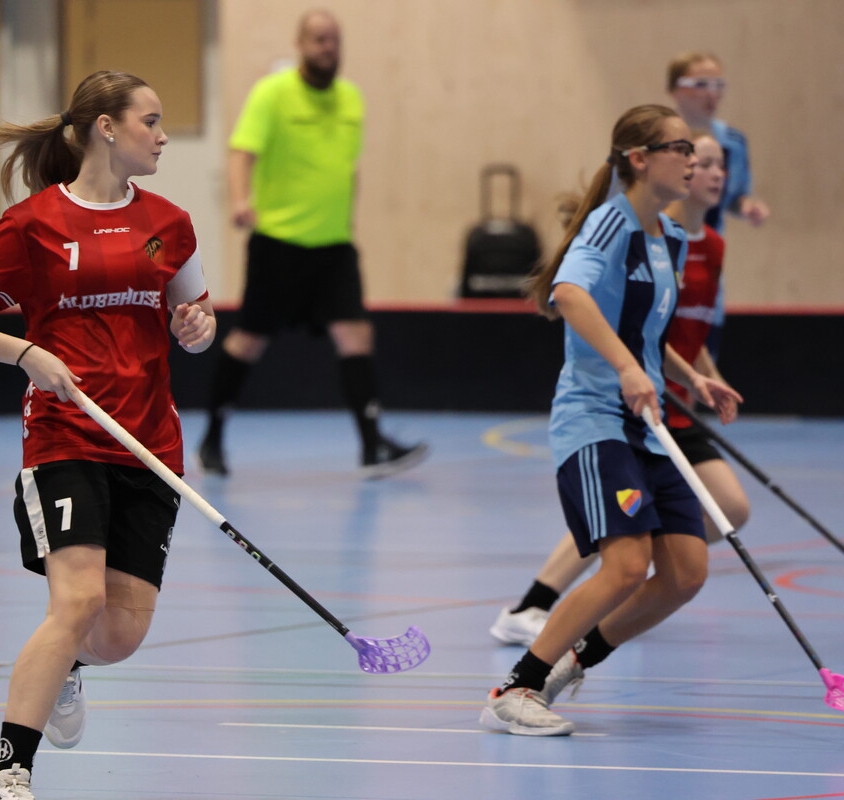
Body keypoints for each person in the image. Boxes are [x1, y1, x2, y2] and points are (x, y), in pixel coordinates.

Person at [0, 70, 216, 800]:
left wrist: (196, 328)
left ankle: (69, 668)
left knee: (118, 635)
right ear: (106, 129)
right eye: (151, 121)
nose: (162, 136)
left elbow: (198, 318)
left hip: (150, 443)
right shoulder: (34, 224)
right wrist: (26, 353)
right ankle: (8, 772)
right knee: (78, 602)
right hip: (65, 435)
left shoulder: (172, 223)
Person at [479, 105, 742, 736]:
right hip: (595, 421)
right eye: (681, 149)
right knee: (625, 565)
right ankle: (516, 689)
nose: (693, 160)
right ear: (640, 160)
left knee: (685, 573)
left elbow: (644, 331)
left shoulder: (670, 236)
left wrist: (690, 377)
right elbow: (569, 295)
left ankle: (572, 662)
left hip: (647, 425)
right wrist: (627, 369)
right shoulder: (609, 223)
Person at [196, 9, 427, 480]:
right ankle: (212, 438)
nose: (328, 47)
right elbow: (242, 152)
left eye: (334, 39)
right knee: (248, 340)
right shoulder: (272, 93)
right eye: (319, 39)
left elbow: (344, 167)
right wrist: (240, 200)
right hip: (279, 243)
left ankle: (372, 447)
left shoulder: (351, 99)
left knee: (356, 335)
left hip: (334, 246)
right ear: (300, 44)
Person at [667, 51, 768, 359]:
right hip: (666, 251)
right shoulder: (656, 139)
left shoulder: (733, 141)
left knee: (700, 356)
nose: (711, 93)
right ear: (675, 89)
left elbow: (733, 196)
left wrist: (746, 205)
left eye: (718, 84)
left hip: (704, 258)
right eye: (701, 84)